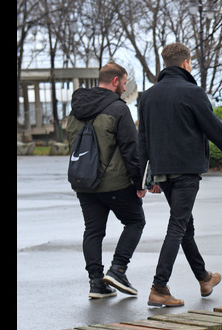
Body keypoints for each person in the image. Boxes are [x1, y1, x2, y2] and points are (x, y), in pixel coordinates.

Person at [137, 43, 222, 307]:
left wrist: (144, 177)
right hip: (186, 171)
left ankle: (204, 277)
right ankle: (159, 287)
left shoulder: (148, 96)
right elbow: (213, 127)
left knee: (185, 226)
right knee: (178, 225)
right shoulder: (192, 92)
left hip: (163, 171)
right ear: (185, 64)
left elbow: (143, 140)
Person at [64, 62, 146, 299]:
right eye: (124, 81)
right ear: (115, 81)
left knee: (93, 230)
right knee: (135, 221)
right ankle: (118, 269)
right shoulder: (119, 109)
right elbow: (131, 149)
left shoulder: (76, 108)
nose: (125, 85)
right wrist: (140, 182)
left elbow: (73, 144)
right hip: (115, 184)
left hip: (83, 181)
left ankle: (96, 283)